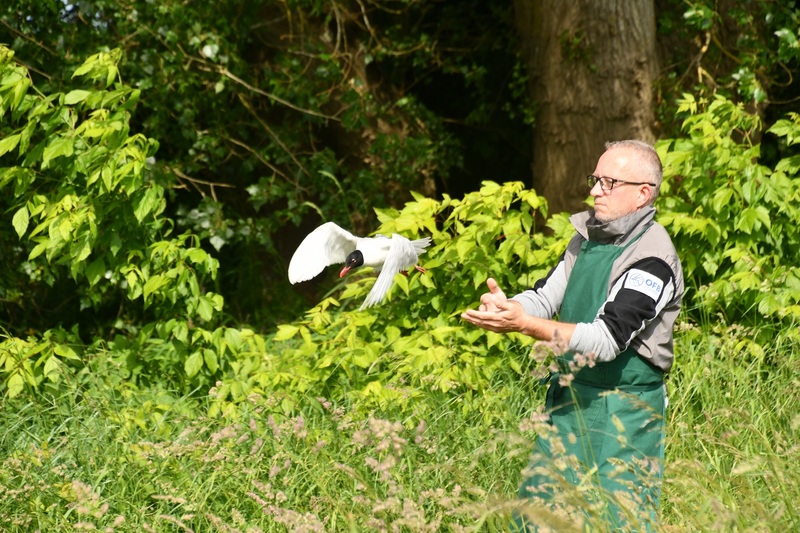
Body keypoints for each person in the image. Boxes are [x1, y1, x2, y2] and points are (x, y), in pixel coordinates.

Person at [461, 140, 684, 531]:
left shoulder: (653, 258)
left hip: (625, 412)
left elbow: (607, 340)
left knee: (617, 522)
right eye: (595, 179)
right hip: (571, 400)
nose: (595, 190)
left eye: (609, 182)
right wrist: (508, 306)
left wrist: (523, 325)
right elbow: (545, 297)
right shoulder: (586, 239)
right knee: (536, 521)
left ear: (643, 194)